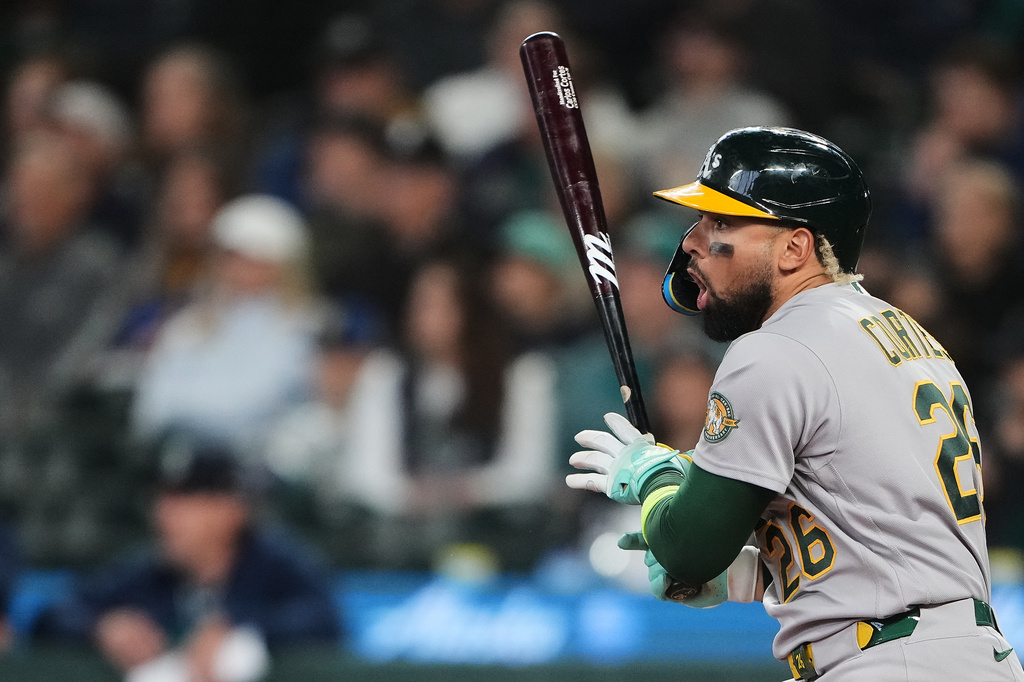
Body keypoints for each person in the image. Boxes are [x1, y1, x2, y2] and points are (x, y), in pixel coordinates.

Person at [566, 126, 1024, 681]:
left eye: (722, 223)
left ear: (795, 247)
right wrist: (738, 575)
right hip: (959, 655)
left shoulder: (777, 348)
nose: (690, 242)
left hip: (889, 661)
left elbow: (686, 548)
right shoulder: (904, 334)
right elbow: (872, 536)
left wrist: (656, 480)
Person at [32, 441, 339, 681]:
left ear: (230, 509)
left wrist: (239, 627)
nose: (163, 515)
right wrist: (101, 627)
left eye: (184, 502)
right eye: (161, 500)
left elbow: (324, 618)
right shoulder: (147, 571)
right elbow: (52, 616)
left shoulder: (274, 562)